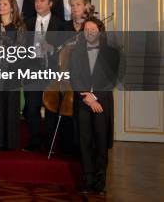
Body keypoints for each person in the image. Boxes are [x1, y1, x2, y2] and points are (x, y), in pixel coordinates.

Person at [69, 17, 119, 196]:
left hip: (102, 102)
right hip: (83, 102)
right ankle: (87, 180)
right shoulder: (76, 52)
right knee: (85, 142)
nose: (89, 32)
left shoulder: (112, 53)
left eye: (92, 29)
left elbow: (111, 79)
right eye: (86, 29)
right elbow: (74, 77)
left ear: (100, 31)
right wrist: (87, 97)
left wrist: (95, 96)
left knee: (100, 142)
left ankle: (100, 182)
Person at [23, 0, 65, 151]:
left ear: (50, 4)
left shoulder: (60, 23)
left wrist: (52, 48)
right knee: (31, 107)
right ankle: (34, 141)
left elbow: (64, 48)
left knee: (50, 108)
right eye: (36, 1)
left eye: (42, 1)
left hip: (51, 70)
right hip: (31, 69)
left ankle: (50, 143)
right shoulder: (27, 22)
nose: (38, 4)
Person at [0, 0, 25, 150]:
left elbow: (21, 50)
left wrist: (6, 38)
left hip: (12, 72)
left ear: (12, 7)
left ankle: (10, 143)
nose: (1, 7)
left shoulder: (18, 27)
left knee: (11, 106)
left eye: (5, 4)